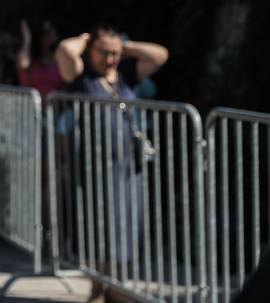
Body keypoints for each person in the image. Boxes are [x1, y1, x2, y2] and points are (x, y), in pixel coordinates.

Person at [55, 23, 168, 303]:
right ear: (90, 49)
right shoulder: (81, 76)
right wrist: (85, 39)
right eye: (104, 52)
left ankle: (116, 288)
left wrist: (123, 46)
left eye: (114, 54)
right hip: (90, 167)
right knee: (93, 225)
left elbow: (160, 55)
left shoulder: (126, 74)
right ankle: (97, 288)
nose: (110, 59)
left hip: (126, 169)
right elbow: (64, 50)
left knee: (122, 227)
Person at [16, 17, 64, 99]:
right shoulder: (27, 56)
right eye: (47, 31)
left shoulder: (58, 56)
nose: (53, 32)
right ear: (38, 35)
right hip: (31, 106)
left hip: (54, 107)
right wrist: (27, 37)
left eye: (53, 28)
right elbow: (23, 64)